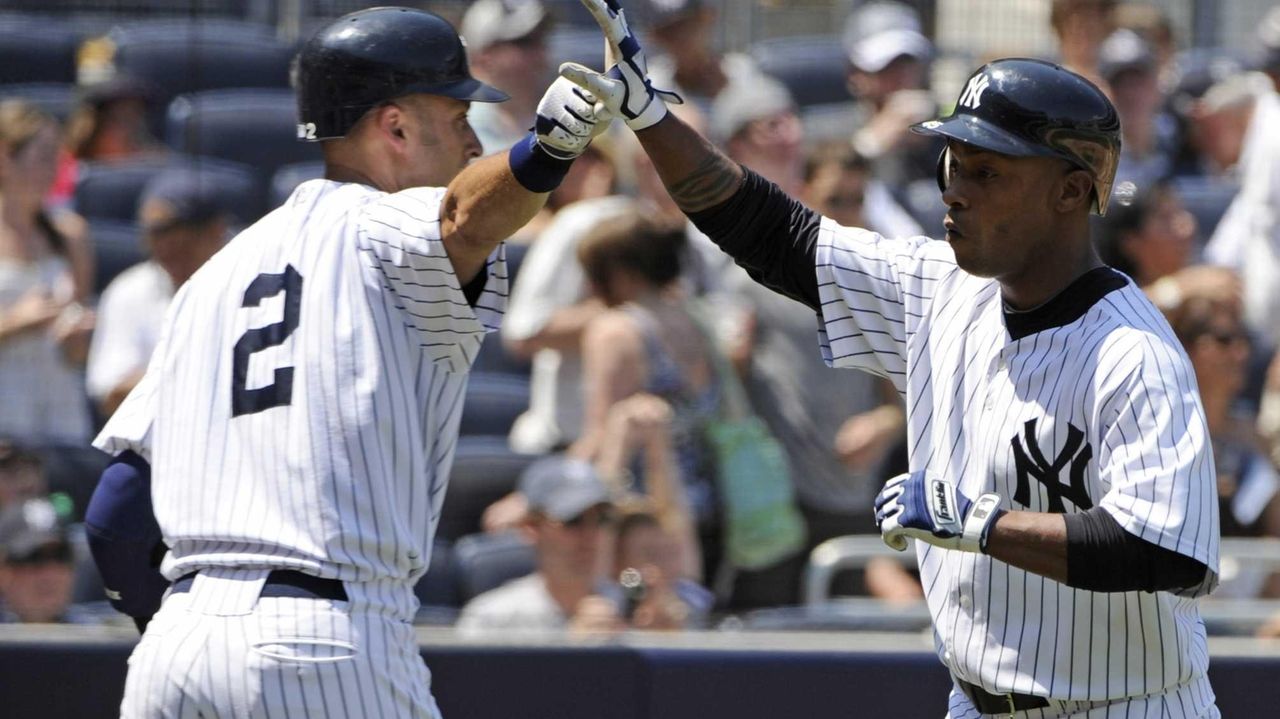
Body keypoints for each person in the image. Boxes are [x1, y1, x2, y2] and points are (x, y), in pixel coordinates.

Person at [563, 2, 1221, 715]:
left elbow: (1167, 550)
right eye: (952, 162)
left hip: (1125, 705)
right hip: (973, 699)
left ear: (1070, 188)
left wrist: (983, 523)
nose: (954, 191)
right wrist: (653, 121)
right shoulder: (934, 288)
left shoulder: (1133, 353)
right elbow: (771, 233)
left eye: (987, 172)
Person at [85, 7, 611, 717]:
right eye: (458, 119)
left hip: (176, 651)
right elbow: (463, 218)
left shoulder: (211, 277)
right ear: (393, 127)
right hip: (322, 641)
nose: (472, 142)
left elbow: (117, 507)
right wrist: (553, 144)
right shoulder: (380, 225)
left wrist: (179, 631)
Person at [86, 168, 230, 417]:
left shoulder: (252, 280)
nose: (165, 251)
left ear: (216, 231)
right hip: (156, 444)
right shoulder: (129, 291)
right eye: (155, 238)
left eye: (181, 244)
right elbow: (114, 395)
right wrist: (198, 372)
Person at [0, 99, 95, 446]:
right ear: (4, 158)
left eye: (57, 157)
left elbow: (78, 351)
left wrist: (78, 339)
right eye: (42, 157)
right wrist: (15, 322)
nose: (53, 168)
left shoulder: (72, 234)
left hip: (59, 413)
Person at [460, 0, 554, 155]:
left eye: (541, 40)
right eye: (524, 43)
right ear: (484, 56)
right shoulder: (460, 126)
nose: (539, 53)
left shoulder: (564, 117)